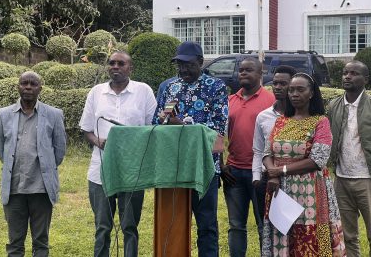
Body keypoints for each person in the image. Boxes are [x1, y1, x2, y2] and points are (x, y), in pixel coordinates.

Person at [154, 41, 228, 257]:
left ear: (201, 62)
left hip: (204, 167)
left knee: (206, 224)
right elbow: (155, 121)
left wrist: (182, 124)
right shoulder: (169, 86)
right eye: (179, 65)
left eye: (188, 64)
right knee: (172, 223)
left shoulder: (216, 87)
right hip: (172, 167)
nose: (183, 69)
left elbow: (218, 128)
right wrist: (162, 120)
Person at [79, 51, 157, 257]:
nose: (115, 66)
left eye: (121, 63)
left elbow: (154, 129)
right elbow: (86, 129)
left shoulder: (144, 91)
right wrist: (99, 141)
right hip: (100, 170)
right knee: (102, 226)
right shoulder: (96, 92)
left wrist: (134, 142)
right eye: (112, 63)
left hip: (133, 171)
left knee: (129, 226)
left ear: (130, 68)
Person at [262, 73, 346, 256]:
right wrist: (273, 173)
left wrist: (281, 170)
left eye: (300, 89)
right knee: (282, 232)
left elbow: (318, 160)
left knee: (309, 235)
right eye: (291, 90)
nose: (294, 94)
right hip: (280, 189)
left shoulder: (320, 122)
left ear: (311, 93)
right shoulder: (281, 121)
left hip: (310, 190)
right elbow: (267, 153)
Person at [0, 71, 67, 256]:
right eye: (24, 83)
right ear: (18, 86)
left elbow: (59, 151)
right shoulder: (3, 115)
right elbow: (1, 149)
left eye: (33, 84)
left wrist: (45, 168)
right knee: (15, 242)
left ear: (40, 88)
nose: (28, 87)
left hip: (41, 189)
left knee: (41, 241)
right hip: (14, 189)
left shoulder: (54, 115)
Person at [220, 57, 275, 256]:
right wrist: (222, 164)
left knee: (264, 225)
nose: (243, 73)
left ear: (260, 74)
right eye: (241, 70)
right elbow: (220, 134)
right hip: (233, 173)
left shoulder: (271, 100)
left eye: (249, 70)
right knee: (236, 225)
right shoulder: (230, 101)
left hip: (261, 174)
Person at [328, 60, 371, 257]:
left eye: (354, 73)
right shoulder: (334, 105)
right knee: (347, 235)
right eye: (345, 72)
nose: (347, 76)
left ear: (365, 79)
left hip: (370, 180)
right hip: (341, 179)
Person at [252, 65, 297, 244]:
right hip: (267, 179)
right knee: (268, 230)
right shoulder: (263, 116)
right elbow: (258, 149)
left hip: (295, 179)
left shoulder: (302, 116)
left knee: (294, 229)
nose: (277, 87)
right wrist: (256, 178)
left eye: (283, 84)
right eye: (275, 83)